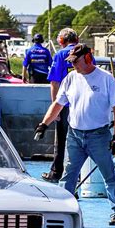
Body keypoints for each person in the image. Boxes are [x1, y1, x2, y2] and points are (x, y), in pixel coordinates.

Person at [34, 44, 115, 225]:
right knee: (68, 175)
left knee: (108, 173)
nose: (73, 65)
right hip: (75, 135)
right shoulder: (70, 79)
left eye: (75, 61)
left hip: (99, 136)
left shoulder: (105, 79)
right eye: (71, 62)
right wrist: (44, 124)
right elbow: (58, 104)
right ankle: (63, 211)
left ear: (86, 58)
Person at [42, 28, 79, 183]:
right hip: (82, 105)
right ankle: (79, 175)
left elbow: (54, 82)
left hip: (65, 105)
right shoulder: (86, 53)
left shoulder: (60, 55)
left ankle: (56, 173)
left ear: (62, 40)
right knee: (81, 140)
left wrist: (54, 109)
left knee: (62, 139)